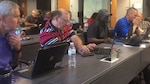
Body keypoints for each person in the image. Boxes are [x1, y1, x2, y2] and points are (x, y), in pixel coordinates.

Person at [0, 1, 22, 84]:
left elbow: (14, 64)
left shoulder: (11, 34)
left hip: (8, 77)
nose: (20, 21)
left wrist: (17, 49)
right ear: (2, 18)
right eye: (16, 17)